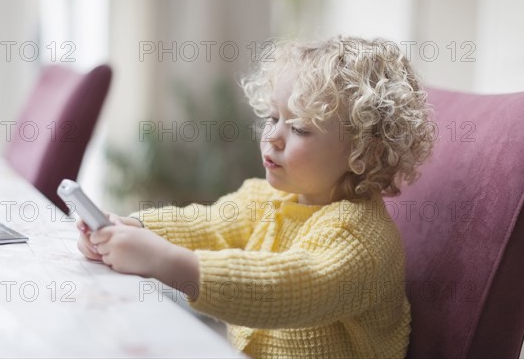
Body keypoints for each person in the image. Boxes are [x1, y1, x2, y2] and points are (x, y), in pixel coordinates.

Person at [77, 36, 434, 358]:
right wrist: (130, 228)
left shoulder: (361, 241)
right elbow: (208, 224)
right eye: (272, 117)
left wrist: (166, 262)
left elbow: (285, 288)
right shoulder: (267, 198)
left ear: (364, 153)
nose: (273, 138)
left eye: (299, 128)